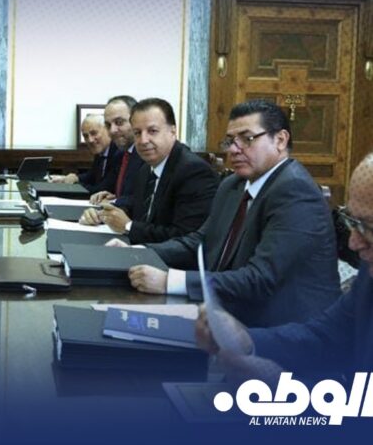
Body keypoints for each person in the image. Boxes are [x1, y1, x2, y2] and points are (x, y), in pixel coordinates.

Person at [121, 99, 339, 327]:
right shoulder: (234, 185)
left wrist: (171, 281)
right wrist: (137, 252)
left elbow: (260, 279)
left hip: (281, 329)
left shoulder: (296, 191)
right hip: (226, 310)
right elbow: (200, 242)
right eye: (230, 141)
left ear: (280, 140)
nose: (234, 149)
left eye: (247, 139)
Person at [197, 152, 373, 378]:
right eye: (352, 222)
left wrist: (284, 388)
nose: (353, 242)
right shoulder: (368, 275)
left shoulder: (293, 190)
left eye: (367, 226)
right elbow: (325, 337)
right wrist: (247, 340)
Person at [81, 98, 218, 244]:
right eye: (137, 133)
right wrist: (104, 214)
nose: (143, 140)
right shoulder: (147, 168)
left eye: (152, 131)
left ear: (173, 131)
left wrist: (129, 226)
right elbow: (136, 205)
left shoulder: (193, 171)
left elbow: (185, 238)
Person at [88, 95, 144, 206]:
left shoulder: (147, 154)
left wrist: (116, 201)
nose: (112, 130)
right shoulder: (120, 155)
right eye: (108, 125)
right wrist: (113, 196)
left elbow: (146, 200)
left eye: (119, 122)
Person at [48, 113, 115, 193]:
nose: (90, 140)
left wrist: (73, 185)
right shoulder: (101, 151)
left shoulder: (117, 152)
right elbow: (92, 175)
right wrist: (75, 178)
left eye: (94, 133)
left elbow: (102, 189)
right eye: (86, 136)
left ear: (107, 130)